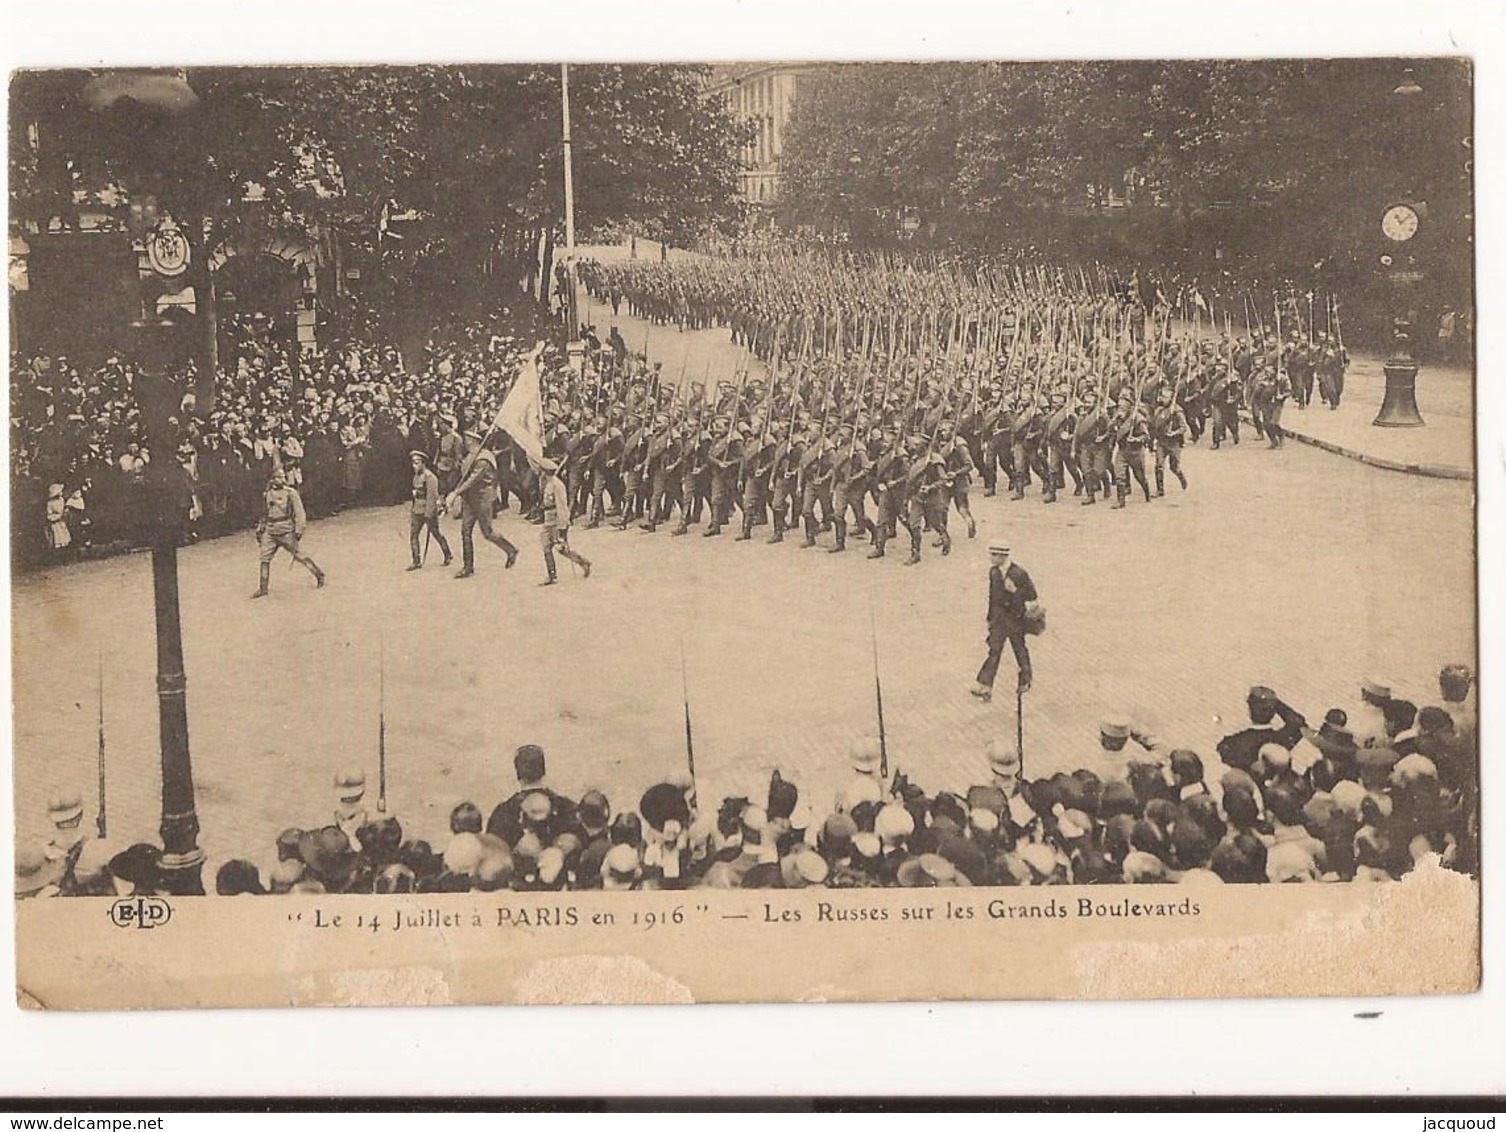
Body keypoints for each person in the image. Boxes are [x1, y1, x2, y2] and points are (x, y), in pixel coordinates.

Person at [444, 428, 518, 579]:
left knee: (488, 533)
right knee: (465, 531)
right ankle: (468, 567)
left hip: (482, 498)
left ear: (472, 441)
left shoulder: (483, 459)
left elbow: (473, 479)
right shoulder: (471, 456)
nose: (465, 442)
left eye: (467, 440)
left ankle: (510, 549)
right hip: (469, 499)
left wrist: (455, 493)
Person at [971, 539, 1038, 702]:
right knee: (993, 651)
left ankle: (1026, 680)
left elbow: (1032, 595)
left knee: (1019, 650)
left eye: (994, 555)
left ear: (1003, 556)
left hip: (1015, 620)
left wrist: (1014, 591)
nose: (991, 558)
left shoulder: (1019, 573)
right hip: (999, 621)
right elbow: (992, 597)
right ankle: (985, 687)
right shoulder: (994, 572)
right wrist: (989, 618)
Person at [252, 468, 325, 599]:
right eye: (279, 477)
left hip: (286, 530)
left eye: (283, 477)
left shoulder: (291, 493)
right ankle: (263, 588)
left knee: (300, 555)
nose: (282, 479)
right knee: (264, 558)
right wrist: (260, 529)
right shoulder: (267, 494)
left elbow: (299, 512)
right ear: (272, 479)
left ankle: (318, 574)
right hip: (270, 530)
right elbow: (264, 514)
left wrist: (299, 530)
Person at [534, 456, 591, 586]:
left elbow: (562, 507)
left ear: (545, 472)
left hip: (556, 521)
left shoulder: (557, 485)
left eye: (541, 471)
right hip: (547, 520)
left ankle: (583, 562)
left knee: (561, 549)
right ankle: (552, 575)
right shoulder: (546, 484)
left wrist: (562, 528)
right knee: (546, 547)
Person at [406, 450, 451, 571]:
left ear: (423, 463)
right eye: (413, 463)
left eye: (417, 463)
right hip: (417, 510)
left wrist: (429, 513)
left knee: (435, 533)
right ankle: (416, 561)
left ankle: (447, 554)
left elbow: (432, 496)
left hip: (427, 510)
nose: (414, 466)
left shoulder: (430, 477)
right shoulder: (416, 476)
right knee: (413, 535)